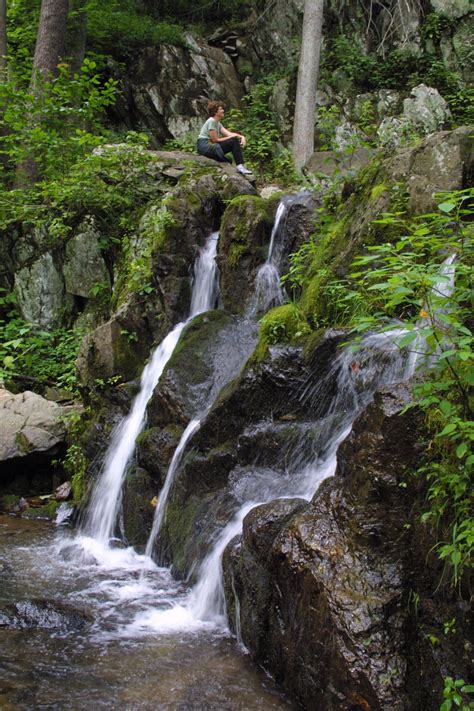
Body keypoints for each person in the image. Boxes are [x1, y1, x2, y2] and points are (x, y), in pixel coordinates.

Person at [197, 101, 252, 175]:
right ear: (215, 112)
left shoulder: (217, 123)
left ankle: (239, 166)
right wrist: (233, 137)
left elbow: (228, 134)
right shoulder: (212, 121)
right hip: (205, 146)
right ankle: (240, 166)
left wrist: (242, 137)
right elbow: (215, 140)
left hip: (210, 146)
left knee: (229, 156)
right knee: (233, 141)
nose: (223, 111)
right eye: (220, 109)